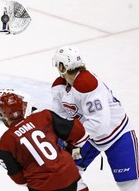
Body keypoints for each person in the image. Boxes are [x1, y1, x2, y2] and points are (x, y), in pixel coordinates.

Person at [51, 45, 139, 191]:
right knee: (64, 175)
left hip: (117, 134)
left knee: (129, 185)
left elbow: (100, 124)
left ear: (62, 67)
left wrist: (71, 136)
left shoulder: (87, 84)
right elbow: (59, 117)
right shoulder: (59, 87)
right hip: (89, 137)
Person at [0, 93, 89, 191]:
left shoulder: (3, 144)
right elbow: (79, 133)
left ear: (3, 115)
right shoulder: (45, 116)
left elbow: (20, 180)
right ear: (23, 108)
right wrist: (71, 150)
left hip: (42, 187)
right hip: (70, 176)